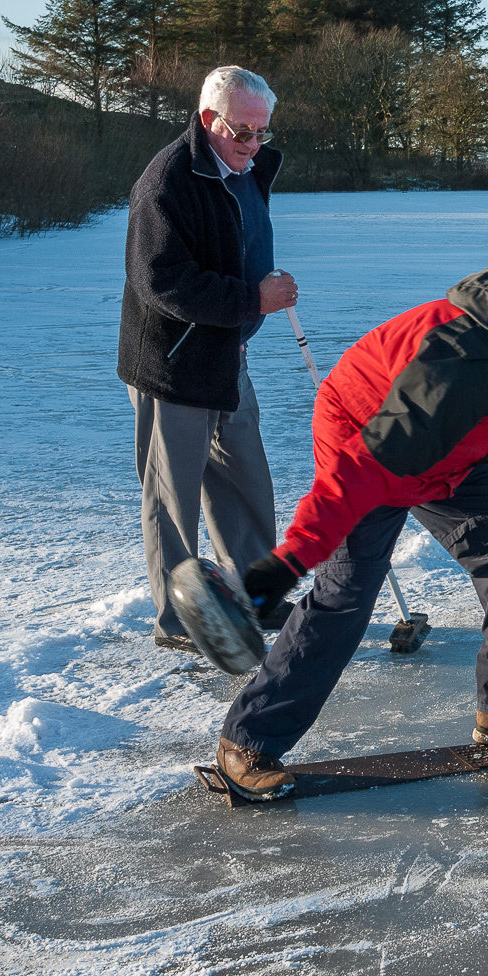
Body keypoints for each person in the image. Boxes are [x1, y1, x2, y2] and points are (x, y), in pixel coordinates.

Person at [213, 267, 488, 799]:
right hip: (367, 437)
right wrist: (288, 561)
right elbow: (362, 469)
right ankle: (248, 740)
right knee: (347, 592)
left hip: (445, 457)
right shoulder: (458, 367)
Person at [118, 66, 300, 652]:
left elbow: (236, 245)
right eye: (240, 132)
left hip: (229, 352)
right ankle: (181, 619)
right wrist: (252, 298)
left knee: (244, 474)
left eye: (261, 133)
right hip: (172, 362)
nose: (252, 145)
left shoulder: (247, 171)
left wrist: (262, 281)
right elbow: (160, 282)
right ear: (206, 120)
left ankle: (254, 593)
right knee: (172, 494)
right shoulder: (166, 181)